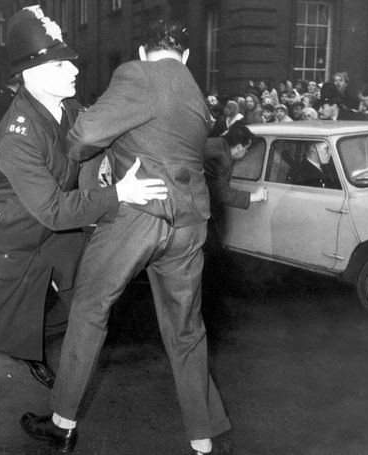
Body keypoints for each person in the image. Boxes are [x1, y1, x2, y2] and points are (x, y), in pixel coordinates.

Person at [0, 5, 166, 425]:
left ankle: (33, 351)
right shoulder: (17, 135)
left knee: (82, 303)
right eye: (61, 63)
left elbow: (99, 140)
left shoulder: (70, 109)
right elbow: (55, 210)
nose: (73, 68)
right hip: (3, 243)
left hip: (52, 239)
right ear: (33, 73)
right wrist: (119, 192)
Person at [20, 18, 232, 455]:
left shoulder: (138, 74)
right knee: (186, 331)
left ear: (141, 51)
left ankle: (62, 424)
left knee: (90, 308)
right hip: (190, 224)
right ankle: (203, 438)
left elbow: (83, 137)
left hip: (139, 214)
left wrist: (92, 154)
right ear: (186, 55)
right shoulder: (195, 89)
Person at [204, 123, 268, 211]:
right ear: (238, 147)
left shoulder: (217, 142)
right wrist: (253, 197)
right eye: (246, 148)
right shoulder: (224, 160)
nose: (247, 152)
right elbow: (223, 194)